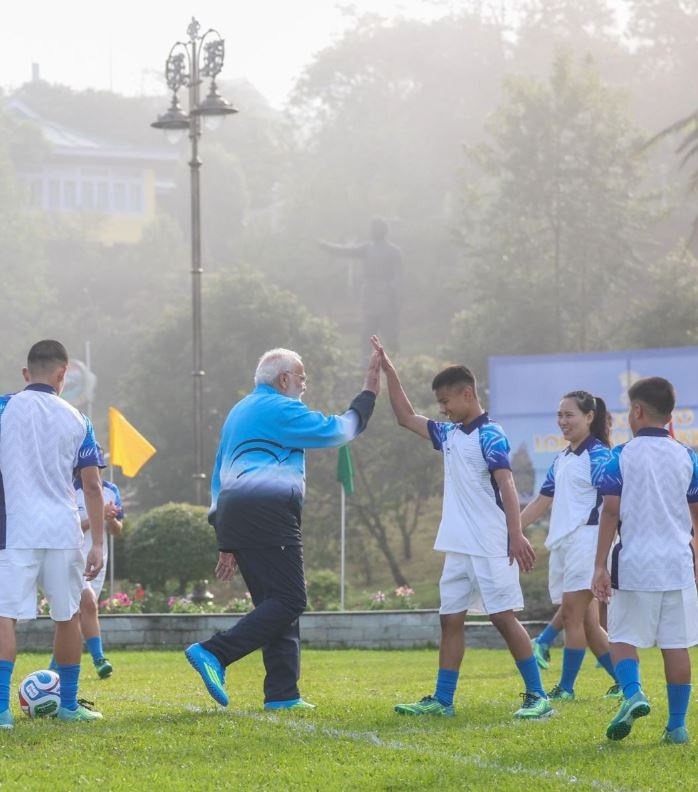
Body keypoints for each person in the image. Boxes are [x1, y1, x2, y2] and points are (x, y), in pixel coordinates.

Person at [185, 347, 380, 710]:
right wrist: (368, 393)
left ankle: (282, 694)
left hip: (235, 512)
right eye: (302, 377)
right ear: (284, 379)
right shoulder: (280, 408)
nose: (305, 385)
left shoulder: (239, 410)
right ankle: (215, 652)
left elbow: (218, 473)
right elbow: (337, 431)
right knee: (291, 599)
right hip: (268, 513)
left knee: (275, 603)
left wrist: (224, 535)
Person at [371, 336, 551, 720]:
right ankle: (443, 701)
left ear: (467, 394)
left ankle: (539, 697)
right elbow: (405, 417)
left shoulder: (491, 434)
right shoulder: (449, 434)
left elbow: (507, 483)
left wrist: (516, 534)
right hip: (457, 546)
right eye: (440, 403)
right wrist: (390, 372)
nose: (443, 409)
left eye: (446, 401)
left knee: (503, 618)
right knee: (450, 619)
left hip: (490, 544)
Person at [0, 340, 105, 727]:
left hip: (15, 530)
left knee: (4, 616)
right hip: (63, 530)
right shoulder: (79, 419)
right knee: (68, 617)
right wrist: (97, 543)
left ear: (26, 373)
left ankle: (1, 712)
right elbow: (92, 486)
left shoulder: (4, 407)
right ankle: (68, 707)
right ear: (63, 374)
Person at [593, 376, 698, 744]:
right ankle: (677, 727)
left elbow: (610, 511)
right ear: (669, 415)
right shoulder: (688, 456)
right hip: (678, 566)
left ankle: (634, 692)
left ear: (637, 411)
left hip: (635, 563)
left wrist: (599, 566)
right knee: (676, 646)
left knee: (621, 637)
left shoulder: (620, 456)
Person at [520, 392, 619, 701]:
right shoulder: (562, 458)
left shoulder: (599, 456)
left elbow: (615, 503)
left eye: (569, 415)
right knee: (589, 626)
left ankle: (565, 688)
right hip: (565, 545)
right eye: (560, 415)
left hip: (588, 543)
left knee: (572, 617)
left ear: (589, 417)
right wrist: (510, 532)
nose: (563, 421)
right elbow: (541, 501)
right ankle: (628, 685)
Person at [319, 217, 402, 353]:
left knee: (390, 333)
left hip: (386, 296)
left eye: (374, 229)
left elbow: (398, 276)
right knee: (367, 332)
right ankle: (365, 360)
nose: (371, 232)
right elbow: (346, 250)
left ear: (382, 231)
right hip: (370, 294)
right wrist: (327, 246)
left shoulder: (394, 251)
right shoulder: (367, 248)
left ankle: (395, 358)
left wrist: (395, 293)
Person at [75, 465, 124, 679]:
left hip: (98, 561)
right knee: (87, 603)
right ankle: (99, 659)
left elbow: (117, 530)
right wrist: (98, 515)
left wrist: (110, 519)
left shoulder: (112, 491)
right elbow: (68, 527)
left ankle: (56, 665)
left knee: (81, 614)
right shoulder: (70, 489)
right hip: (73, 558)